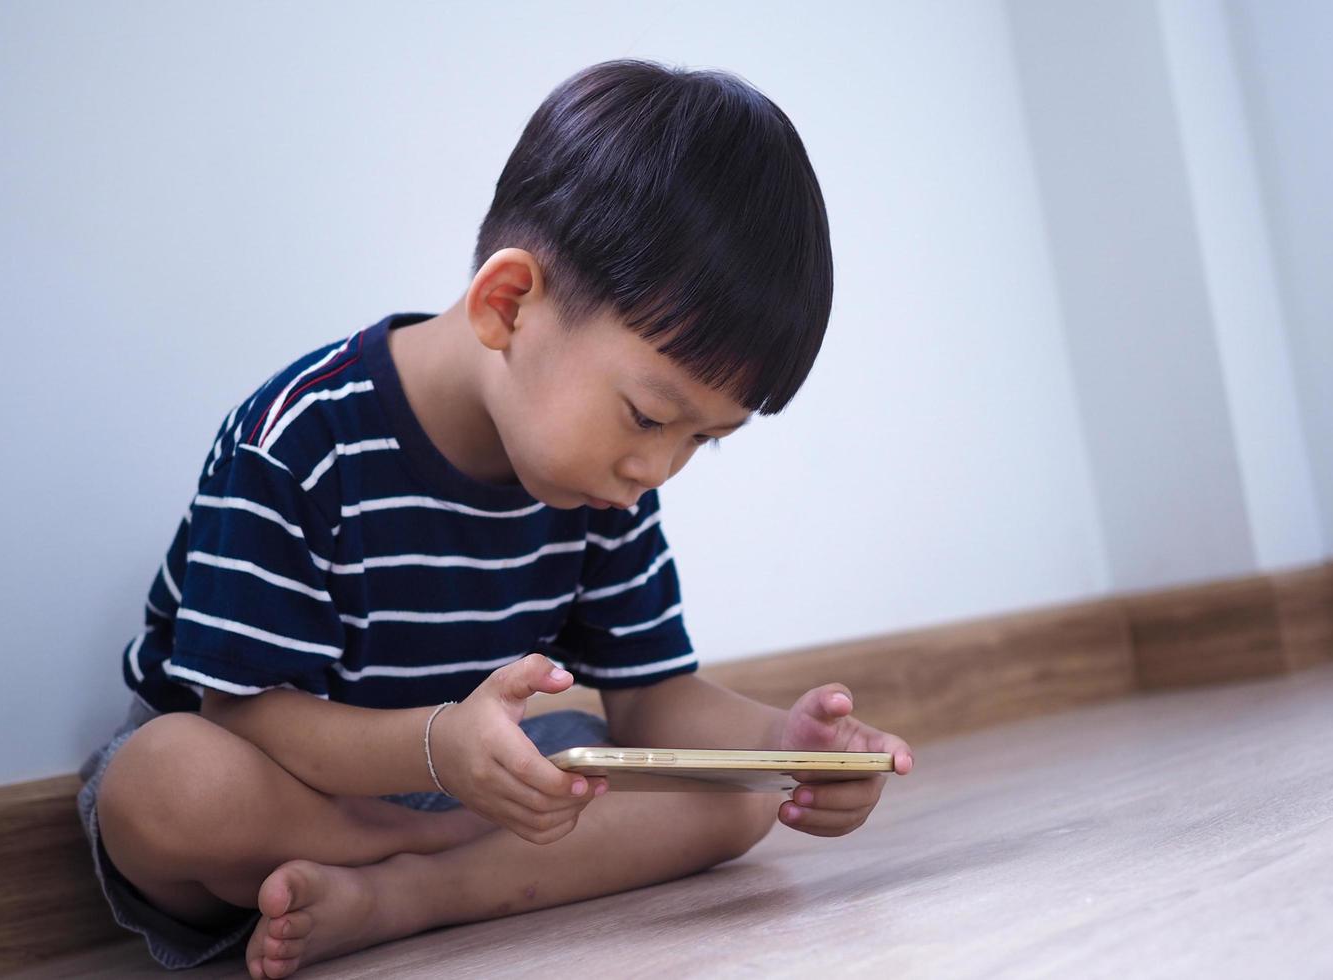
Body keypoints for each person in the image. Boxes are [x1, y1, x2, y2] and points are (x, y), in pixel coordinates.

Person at [77, 58, 914, 979]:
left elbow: (650, 698)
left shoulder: (604, 486)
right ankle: (428, 861)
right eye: (647, 416)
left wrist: (783, 749)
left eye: (700, 441)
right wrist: (440, 755)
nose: (653, 471)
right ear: (507, 304)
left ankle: (403, 899)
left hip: (479, 790)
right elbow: (247, 721)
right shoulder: (300, 438)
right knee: (164, 786)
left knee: (735, 800)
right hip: (288, 787)